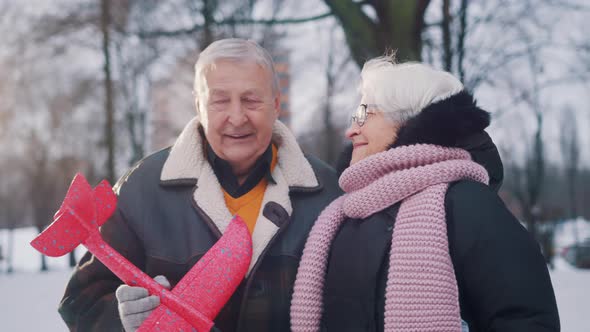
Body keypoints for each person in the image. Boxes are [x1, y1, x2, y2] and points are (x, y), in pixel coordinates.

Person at [58, 38, 341, 331]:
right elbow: (80, 302)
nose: (237, 117)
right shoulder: (140, 189)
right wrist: (121, 320)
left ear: (276, 105)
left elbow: (354, 304)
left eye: (251, 99)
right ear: (198, 106)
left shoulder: (326, 192)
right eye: (220, 101)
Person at [291, 56, 560, 332]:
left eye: (363, 114)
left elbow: (525, 319)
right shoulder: (342, 215)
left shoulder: (467, 203)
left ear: (406, 118)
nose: (351, 130)